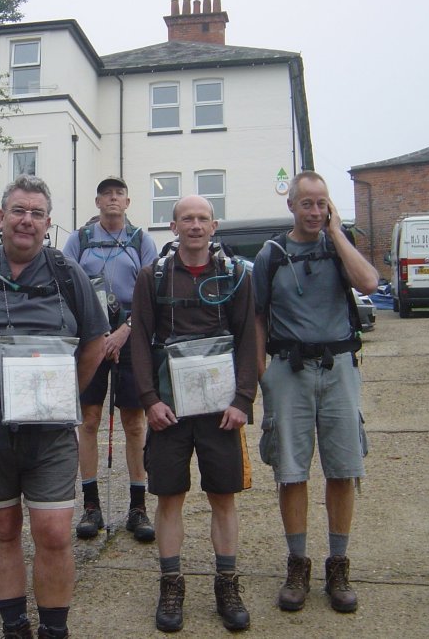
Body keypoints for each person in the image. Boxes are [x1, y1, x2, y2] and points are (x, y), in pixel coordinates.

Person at [0, 175, 108, 639]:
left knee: (54, 531)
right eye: (18, 210)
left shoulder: (66, 272)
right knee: (1, 527)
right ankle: (15, 627)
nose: (26, 221)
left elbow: (95, 341)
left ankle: (55, 630)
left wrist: (62, 393)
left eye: (36, 214)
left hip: (49, 428)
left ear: (49, 224)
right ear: (1, 217)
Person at [252, 171, 378, 614]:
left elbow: (369, 284)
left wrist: (338, 234)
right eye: (307, 203)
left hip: (339, 367)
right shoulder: (272, 254)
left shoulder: (336, 246)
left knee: (343, 468)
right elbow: (258, 316)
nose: (314, 211)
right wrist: (260, 374)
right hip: (289, 371)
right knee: (292, 471)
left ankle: (338, 564)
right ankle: (297, 564)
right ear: (291, 205)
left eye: (321, 203)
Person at [131, 195, 255, 633]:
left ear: (214, 226)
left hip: (222, 412)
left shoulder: (236, 275)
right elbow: (140, 340)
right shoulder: (153, 277)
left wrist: (243, 400)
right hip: (170, 412)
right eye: (188, 219)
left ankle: (227, 583)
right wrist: (149, 401)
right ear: (173, 226)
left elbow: (247, 339)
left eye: (203, 218)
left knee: (223, 498)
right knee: (169, 498)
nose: (196, 225)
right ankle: (171, 585)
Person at [62, 176, 158, 542]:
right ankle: (91, 507)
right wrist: (97, 334)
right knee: (88, 420)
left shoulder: (141, 240)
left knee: (134, 423)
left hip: (131, 337)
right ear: (98, 201)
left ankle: (137, 507)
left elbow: (150, 294)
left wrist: (123, 331)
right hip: (90, 338)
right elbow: (66, 286)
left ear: (128, 202)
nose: (112, 199)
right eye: (106, 194)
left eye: (118, 193)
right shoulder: (80, 240)